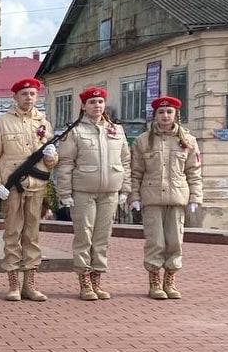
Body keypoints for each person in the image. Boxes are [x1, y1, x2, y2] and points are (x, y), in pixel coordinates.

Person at [0, 77, 59, 302]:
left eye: (32, 94)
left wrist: (52, 157)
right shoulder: (1, 122)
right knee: (12, 235)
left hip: (36, 188)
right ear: (15, 96)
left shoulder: (44, 124)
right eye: (24, 94)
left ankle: (30, 285)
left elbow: (50, 163)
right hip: (11, 189)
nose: (28, 98)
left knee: (32, 236)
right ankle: (13, 285)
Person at [55, 86, 130, 301]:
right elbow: (65, 163)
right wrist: (65, 193)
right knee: (84, 236)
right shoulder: (75, 131)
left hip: (109, 192)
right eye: (92, 102)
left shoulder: (116, 130)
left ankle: (97, 279)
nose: (97, 106)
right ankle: (85, 281)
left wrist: (125, 188)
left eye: (100, 102)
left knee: (102, 237)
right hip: (83, 192)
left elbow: (125, 161)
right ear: (83, 106)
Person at [130, 95, 203, 300]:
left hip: (177, 198)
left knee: (175, 242)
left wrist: (195, 197)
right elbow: (135, 172)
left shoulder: (187, 141)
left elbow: (194, 171)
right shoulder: (143, 141)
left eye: (169, 112)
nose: (165, 115)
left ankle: (169, 280)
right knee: (155, 242)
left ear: (176, 114)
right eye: (161, 112)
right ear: (155, 115)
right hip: (151, 198)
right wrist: (134, 196)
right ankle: (155, 282)